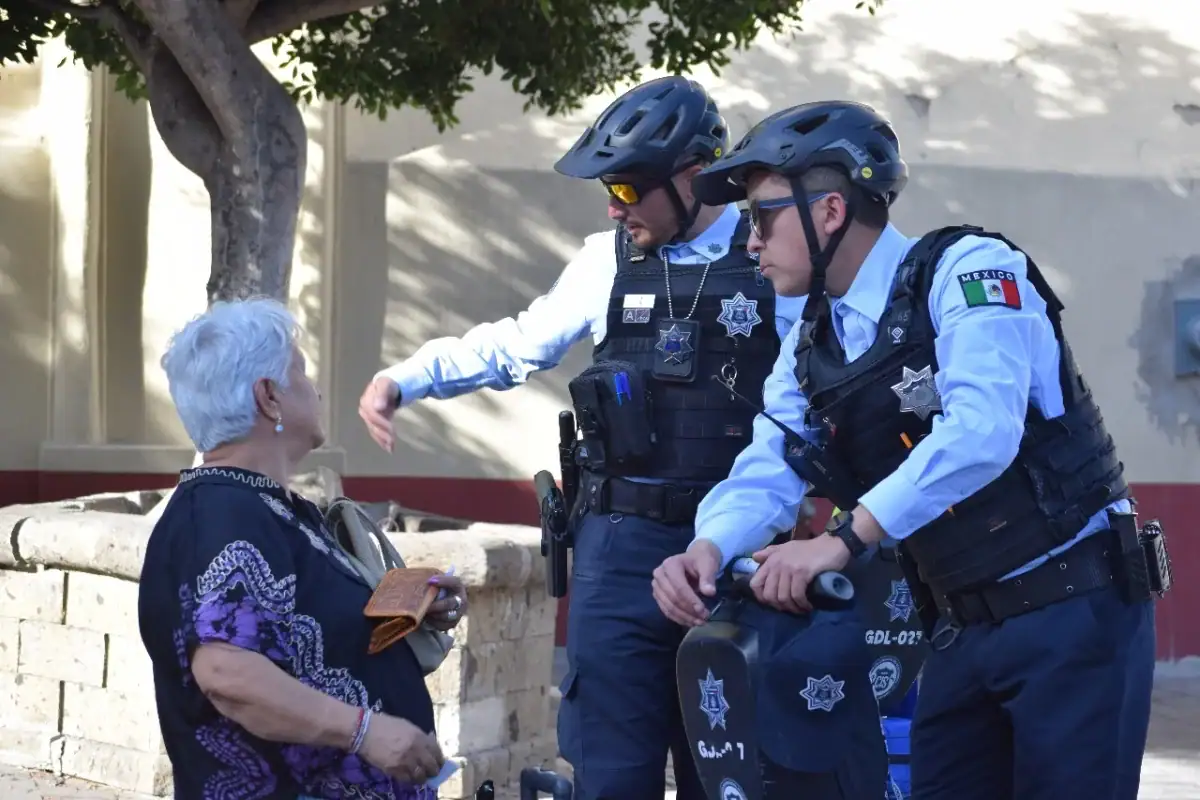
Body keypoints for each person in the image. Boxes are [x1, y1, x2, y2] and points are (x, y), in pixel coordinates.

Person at [651, 100, 1158, 800]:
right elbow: (771, 462)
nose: (750, 242)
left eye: (762, 217)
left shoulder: (970, 270)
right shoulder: (810, 343)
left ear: (831, 211)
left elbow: (982, 431)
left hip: (1072, 612)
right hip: (958, 626)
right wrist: (708, 547)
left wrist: (839, 542)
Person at [357, 76, 805, 800]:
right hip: (619, 551)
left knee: (729, 779)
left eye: (627, 188)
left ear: (693, 176)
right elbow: (518, 345)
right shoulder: (606, 260)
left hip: (735, 557)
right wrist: (404, 379)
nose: (612, 207)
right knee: (610, 777)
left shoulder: (771, 255)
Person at [140, 298, 468, 799]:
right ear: (268, 397)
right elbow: (226, 670)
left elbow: (305, 637)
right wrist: (365, 731)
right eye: (301, 372)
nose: (315, 389)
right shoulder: (225, 511)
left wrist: (413, 607)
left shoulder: (266, 506)